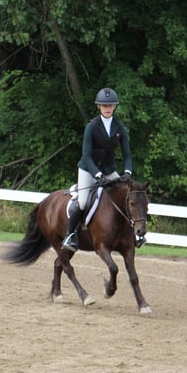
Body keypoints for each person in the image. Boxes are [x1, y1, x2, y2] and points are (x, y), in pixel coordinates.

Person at [62, 87, 133, 252]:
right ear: (99, 107)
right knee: (82, 202)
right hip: (88, 170)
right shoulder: (91, 127)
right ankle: (70, 235)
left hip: (109, 171)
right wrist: (97, 174)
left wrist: (127, 172)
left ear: (114, 107)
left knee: (127, 197)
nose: (107, 108)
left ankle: (133, 235)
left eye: (110, 106)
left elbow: (127, 154)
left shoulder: (119, 127)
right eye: (104, 105)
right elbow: (86, 155)